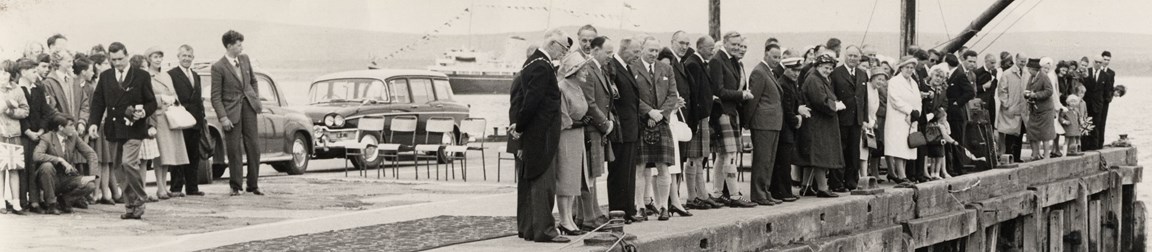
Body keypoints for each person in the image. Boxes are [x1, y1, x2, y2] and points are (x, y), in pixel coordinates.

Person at [88, 42, 158, 219]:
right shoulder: (106, 77)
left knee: (128, 163)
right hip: (113, 128)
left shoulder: (141, 76)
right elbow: (98, 102)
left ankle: (140, 198)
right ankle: (130, 204)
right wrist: (93, 123)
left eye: (120, 59)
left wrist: (143, 112)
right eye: (113, 60)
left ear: (127, 56)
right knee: (119, 168)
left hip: (134, 128)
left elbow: (152, 102)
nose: (117, 63)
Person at [513, 29, 570, 243]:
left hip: (535, 131)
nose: (564, 52)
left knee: (532, 179)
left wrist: (520, 126)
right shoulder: (542, 66)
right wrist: (520, 126)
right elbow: (532, 101)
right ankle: (545, 230)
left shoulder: (532, 62)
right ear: (553, 44)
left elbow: (526, 99)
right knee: (544, 182)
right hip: (543, 132)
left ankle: (529, 228)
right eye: (564, 48)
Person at [632, 36, 682, 220]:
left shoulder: (666, 68)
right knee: (640, 167)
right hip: (641, 123)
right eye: (650, 50)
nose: (654, 54)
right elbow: (632, 96)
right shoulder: (632, 67)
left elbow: (672, 95)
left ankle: (663, 207)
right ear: (642, 48)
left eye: (656, 51)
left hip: (662, 122)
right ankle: (639, 207)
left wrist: (660, 114)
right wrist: (649, 112)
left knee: (664, 167)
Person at [211, 30, 263, 196]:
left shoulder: (245, 59)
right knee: (234, 150)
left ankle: (253, 184)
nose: (242, 47)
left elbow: (253, 81)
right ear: (229, 46)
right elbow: (215, 96)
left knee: (254, 147)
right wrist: (223, 117)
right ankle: (236, 185)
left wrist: (255, 98)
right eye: (239, 44)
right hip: (231, 112)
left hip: (249, 108)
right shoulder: (218, 67)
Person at [708, 31, 756, 208]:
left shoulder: (733, 61)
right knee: (728, 155)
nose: (737, 47)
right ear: (725, 43)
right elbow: (719, 91)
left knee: (723, 155)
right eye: (733, 44)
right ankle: (734, 195)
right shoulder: (717, 61)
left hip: (731, 113)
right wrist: (741, 94)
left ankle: (718, 193)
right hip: (723, 113)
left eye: (739, 44)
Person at [573, 35, 614, 231]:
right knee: (588, 174)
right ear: (596, 50)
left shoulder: (598, 69)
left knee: (593, 174)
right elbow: (589, 103)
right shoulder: (589, 70)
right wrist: (605, 123)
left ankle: (589, 214)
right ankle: (589, 217)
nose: (610, 56)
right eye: (608, 52)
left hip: (597, 129)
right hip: (591, 129)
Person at [605, 36, 644, 223]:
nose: (638, 56)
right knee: (619, 172)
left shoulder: (627, 68)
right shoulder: (612, 66)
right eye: (635, 52)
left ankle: (628, 210)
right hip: (620, 129)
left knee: (629, 172)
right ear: (624, 49)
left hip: (631, 128)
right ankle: (617, 211)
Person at [143, 47, 189, 200]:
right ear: (149, 59)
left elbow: (174, 93)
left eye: (160, 57)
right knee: (160, 153)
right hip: (158, 116)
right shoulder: (147, 76)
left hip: (169, 115)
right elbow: (147, 96)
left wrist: (174, 100)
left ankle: (163, 186)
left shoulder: (166, 75)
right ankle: (160, 187)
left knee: (168, 153)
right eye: (155, 57)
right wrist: (161, 98)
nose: (157, 59)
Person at [554, 52, 592, 236]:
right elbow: (562, 117)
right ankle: (564, 220)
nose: (586, 72)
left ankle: (569, 219)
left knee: (574, 180)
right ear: (574, 72)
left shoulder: (577, 87)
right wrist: (579, 122)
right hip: (566, 137)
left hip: (577, 137)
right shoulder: (562, 87)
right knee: (565, 180)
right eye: (583, 69)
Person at [796, 54, 844, 198]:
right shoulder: (814, 79)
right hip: (818, 123)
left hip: (818, 122)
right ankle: (823, 188)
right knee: (820, 156)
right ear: (818, 66)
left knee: (813, 156)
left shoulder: (818, 78)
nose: (828, 70)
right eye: (825, 67)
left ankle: (806, 186)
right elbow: (819, 101)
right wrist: (835, 105)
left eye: (830, 68)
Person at [680, 35, 719, 209]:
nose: (712, 51)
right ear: (700, 47)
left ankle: (701, 194)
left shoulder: (699, 63)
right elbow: (693, 95)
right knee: (694, 158)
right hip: (697, 117)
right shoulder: (693, 64)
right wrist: (694, 121)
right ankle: (693, 196)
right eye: (710, 48)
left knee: (699, 157)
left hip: (703, 116)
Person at [744, 41, 785, 205]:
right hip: (762, 124)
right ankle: (758, 193)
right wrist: (747, 122)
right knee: (762, 159)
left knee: (769, 159)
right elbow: (753, 100)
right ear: (765, 54)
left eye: (779, 57)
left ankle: (765, 191)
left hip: (772, 123)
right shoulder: (759, 72)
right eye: (774, 57)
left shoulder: (769, 72)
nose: (777, 60)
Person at [30, 115, 98, 214]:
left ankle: (65, 201)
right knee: (47, 166)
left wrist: (93, 175)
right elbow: (37, 156)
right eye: (71, 125)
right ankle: (51, 204)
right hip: (49, 178)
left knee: (90, 185)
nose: (74, 128)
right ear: (60, 127)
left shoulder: (74, 136)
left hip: (66, 177)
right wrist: (59, 159)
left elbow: (90, 154)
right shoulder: (47, 137)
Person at [659, 31, 693, 217]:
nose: (684, 46)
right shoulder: (668, 60)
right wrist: (673, 105)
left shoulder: (680, 62)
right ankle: (666, 203)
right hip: (666, 119)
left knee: (675, 165)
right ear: (672, 42)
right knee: (666, 166)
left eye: (687, 43)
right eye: (681, 42)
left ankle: (674, 200)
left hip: (674, 118)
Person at [16, 58, 56, 213]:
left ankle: (35, 201)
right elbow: (20, 115)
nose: (36, 74)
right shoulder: (18, 89)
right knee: (23, 168)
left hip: (37, 135)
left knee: (34, 166)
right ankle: (21, 200)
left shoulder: (38, 89)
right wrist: (28, 131)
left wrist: (40, 130)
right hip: (23, 135)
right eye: (33, 71)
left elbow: (45, 112)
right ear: (23, 72)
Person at [80, 53, 119, 205]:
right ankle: (95, 193)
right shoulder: (92, 85)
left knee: (107, 160)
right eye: (106, 64)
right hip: (97, 126)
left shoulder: (104, 81)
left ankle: (105, 193)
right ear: (97, 66)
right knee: (98, 160)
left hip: (106, 124)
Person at [828, 45, 867, 192]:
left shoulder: (862, 74)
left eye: (855, 56)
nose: (852, 58)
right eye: (850, 55)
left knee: (854, 151)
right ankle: (837, 183)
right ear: (845, 56)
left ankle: (852, 182)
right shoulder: (836, 73)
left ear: (859, 58)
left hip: (856, 119)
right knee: (840, 150)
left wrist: (863, 118)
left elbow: (864, 97)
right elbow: (832, 94)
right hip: (841, 117)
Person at [168, 45, 205, 197]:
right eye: (184, 55)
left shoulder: (196, 75)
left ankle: (192, 188)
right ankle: (176, 188)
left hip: (195, 121)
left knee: (193, 155)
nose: (186, 59)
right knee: (178, 155)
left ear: (193, 58)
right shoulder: (171, 74)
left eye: (189, 56)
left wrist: (201, 119)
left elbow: (198, 99)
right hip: (180, 120)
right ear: (178, 57)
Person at [770, 57, 806, 201]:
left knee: (784, 161)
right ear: (786, 69)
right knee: (783, 162)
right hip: (785, 128)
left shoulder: (790, 83)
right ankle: (783, 192)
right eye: (793, 70)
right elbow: (786, 109)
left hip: (787, 128)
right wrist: (797, 120)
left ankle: (783, 191)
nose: (796, 73)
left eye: (798, 71)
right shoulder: (784, 84)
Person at [884, 57, 921, 186]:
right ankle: (901, 174)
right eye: (907, 67)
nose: (909, 70)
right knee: (899, 146)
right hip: (898, 118)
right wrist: (910, 110)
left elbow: (918, 100)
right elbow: (895, 100)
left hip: (911, 120)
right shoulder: (894, 81)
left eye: (911, 68)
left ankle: (903, 173)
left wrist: (917, 112)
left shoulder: (914, 83)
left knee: (907, 146)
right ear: (901, 68)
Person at [2, 60, 30, 215]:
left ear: (11, 75)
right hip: (0, 134)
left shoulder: (18, 90)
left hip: (14, 133)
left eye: (6, 72)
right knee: (0, 169)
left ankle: (16, 202)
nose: (2, 75)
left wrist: (12, 112)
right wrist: (6, 103)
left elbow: (25, 110)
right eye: (0, 72)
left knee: (14, 169)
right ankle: (1, 201)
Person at [943, 53, 974, 176]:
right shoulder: (952, 75)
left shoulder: (959, 75)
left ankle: (959, 166)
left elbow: (970, 92)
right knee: (952, 140)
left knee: (957, 139)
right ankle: (953, 167)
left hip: (956, 113)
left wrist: (957, 103)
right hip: (949, 113)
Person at [997, 53, 1028, 163]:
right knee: (1010, 134)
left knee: (1019, 133)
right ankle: (1009, 156)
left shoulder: (1026, 73)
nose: (1023, 63)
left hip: (1022, 108)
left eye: (1024, 61)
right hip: (1011, 108)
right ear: (1016, 60)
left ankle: (1017, 156)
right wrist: (1006, 104)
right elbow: (1002, 90)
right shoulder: (1007, 73)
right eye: (1021, 61)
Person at [1023, 58, 1055, 161]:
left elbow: (1049, 91)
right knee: (1032, 132)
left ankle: (1046, 156)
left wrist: (1035, 95)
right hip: (1034, 110)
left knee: (1045, 135)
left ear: (1033, 69)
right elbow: (1028, 88)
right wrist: (1027, 93)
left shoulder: (1044, 77)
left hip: (1045, 110)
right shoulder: (1032, 77)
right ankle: (1035, 155)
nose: (1028, 70)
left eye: (1029, 68)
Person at [1082, 51, 1114, 150]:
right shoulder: (1087, 72)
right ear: (1093, 62)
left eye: (1100, 62)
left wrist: (1105, 101)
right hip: (1087, 103)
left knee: (1096, 125)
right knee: (1085, 125)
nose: (1098, 64)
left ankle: (1095, 147)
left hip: (1098, 104)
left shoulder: (1106, 75)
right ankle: (1084, 146)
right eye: (1096, 62)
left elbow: (1107, 91)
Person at [974, 54, 998, 128]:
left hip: (991, 101)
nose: (994, 65)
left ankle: (991, 138)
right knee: (981, 124)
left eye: (995, 63)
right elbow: (973, 89)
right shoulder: (977, 72)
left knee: (991, 122)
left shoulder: (994, 72)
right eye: (992, 63)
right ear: (986, 61)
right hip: (981, 102)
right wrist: (983, 87)